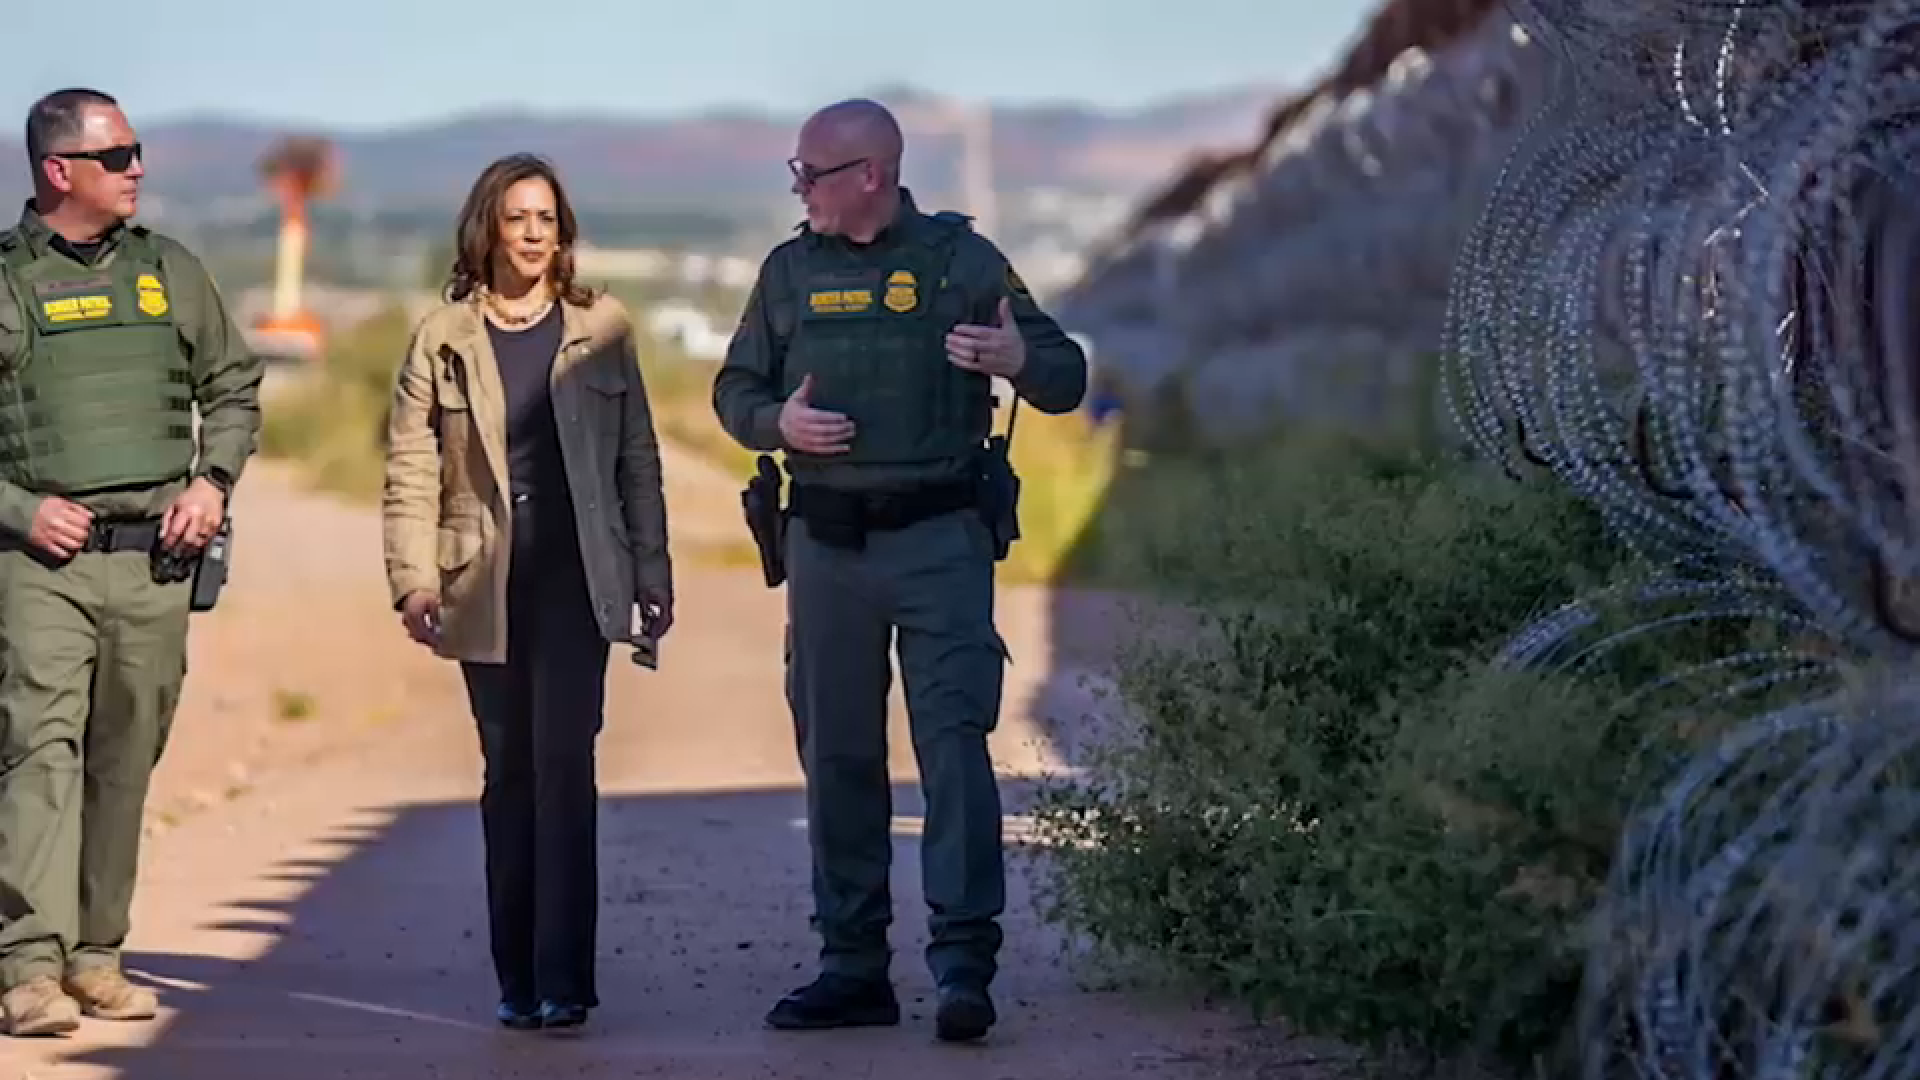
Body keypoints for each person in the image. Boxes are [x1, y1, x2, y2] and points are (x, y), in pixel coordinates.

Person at [711, 98, 1087, 1043]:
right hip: (827, 546)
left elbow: (1065, 371)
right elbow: (735, 388)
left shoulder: (964, 262)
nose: (799, 190)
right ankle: (852, 968)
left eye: (812, 173)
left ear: (870, 174)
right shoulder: (789, 272)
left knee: (953, 750)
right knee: (836, 753)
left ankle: (964, 968)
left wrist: (1014, 359)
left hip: (939, 541)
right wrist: (775, 427)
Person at [380, 152, 674, 1033]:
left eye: (548, 218)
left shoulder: (604, 327)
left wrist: (652, 574)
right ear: (488, 229)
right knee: (507, 773)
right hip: (483, 582)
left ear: (564, 231)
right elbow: (409, 465)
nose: (536, 233)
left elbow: (639, 462)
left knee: (565, 769)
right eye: (518, 218)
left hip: (580, 578)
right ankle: (516, 977)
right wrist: (411, 577)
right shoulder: (441, 336)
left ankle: (565, 980)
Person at [0, 87, 263, 1037]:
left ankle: (95, 955)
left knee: (125, 757)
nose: (137, 168)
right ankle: (27, 966)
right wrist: (24, 510)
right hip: (40, 570)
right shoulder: (7, 280)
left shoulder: (170, 271)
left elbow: (233, 387)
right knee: (39, 751)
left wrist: (213, 482)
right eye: (118, 156)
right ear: (58, 171)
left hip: (154, 562)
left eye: (139, 152)